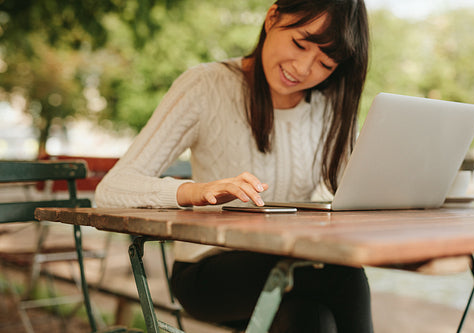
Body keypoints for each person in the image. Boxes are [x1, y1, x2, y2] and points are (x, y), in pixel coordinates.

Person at [96, 0, 372, 332]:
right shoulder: (205, 85)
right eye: (300, 43)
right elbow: (110, 190)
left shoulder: (331, 108)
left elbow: (355, 197)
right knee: (341, 274)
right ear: (272, 17)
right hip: (209, 270)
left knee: (309, 320)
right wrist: (195, 192)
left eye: (325, 63)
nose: (302, 68)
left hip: (292, 268)